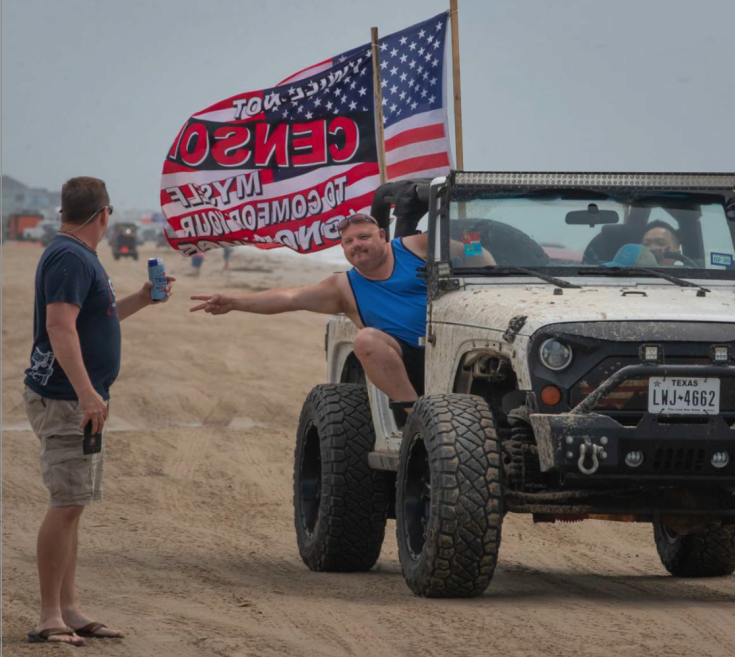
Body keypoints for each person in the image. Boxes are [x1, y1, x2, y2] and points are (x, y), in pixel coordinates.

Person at [22, 177, 175, 645]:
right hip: (68, 398)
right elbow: (59, 327)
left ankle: (68, 607)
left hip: (80, 398)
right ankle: (50, 615)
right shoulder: (69, 256)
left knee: (75, 504)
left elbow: (97, 316)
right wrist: (86, 392)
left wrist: (144, 298)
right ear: (104, 214)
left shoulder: (78, 255)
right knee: (65, 503)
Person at [190, 213, 493, 410]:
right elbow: (289, 297)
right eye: (348, 242)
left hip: (458, 348)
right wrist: (235, 302)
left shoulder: (414, 247)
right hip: (408, 364)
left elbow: (473, 251)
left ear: (382, 237)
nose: (356, 245)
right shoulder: (343, 287)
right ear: (343, 249)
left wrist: (482, 266)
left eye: (364, 237)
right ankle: (413, 412)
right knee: (366, 340)